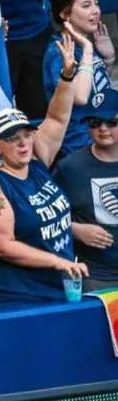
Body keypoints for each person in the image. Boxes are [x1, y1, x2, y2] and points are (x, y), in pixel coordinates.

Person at [0, 34, 89, 308]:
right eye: (12, 138)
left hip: (57, 292)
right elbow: (3, 246)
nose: (23, 143)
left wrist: (67, 76)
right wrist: (57, 262)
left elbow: (58, 117)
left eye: (26, 134)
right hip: (18, 301)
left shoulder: (35, 161)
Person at [43, 0, 115, 160]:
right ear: (66, 14)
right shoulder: (59, 52)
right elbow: (80, 97)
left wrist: (108, 59)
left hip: (105, 137)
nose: (96, 10)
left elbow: (95, 89)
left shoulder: (84, 45)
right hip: (80, 146)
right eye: (86, 5)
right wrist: (89, 51)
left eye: (96, 3)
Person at [54, 90, 118, 291]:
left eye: (111, 122)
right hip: (95, 276)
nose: (103, 129)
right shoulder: (70, 168)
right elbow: (44, 218)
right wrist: (76, 230)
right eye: (95, 123)